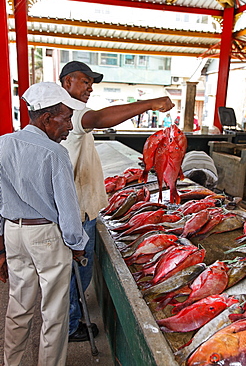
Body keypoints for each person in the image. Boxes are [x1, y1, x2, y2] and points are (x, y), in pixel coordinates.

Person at [59, 60, 175, 342]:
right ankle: (72, 324)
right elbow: (98, 118)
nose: (89, 87)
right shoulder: (68, 112)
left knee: (75, 270)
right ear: (66, 82)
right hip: (76, 208)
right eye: (84, 81)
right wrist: (149, 103)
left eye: (91, 83)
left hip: (79, 204)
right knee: (77, 270)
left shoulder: (65, 112)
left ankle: (70, 318)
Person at [0, 82, 89, 366]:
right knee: (54, 311)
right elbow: (68, 209)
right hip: (46, 236)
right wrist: (77, 245)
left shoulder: (3, 143)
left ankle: (10, 362)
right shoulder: (55, 153)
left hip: (14, 231)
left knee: (19, 304)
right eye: (66, 119)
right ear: (47, 118)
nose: (70, 126)